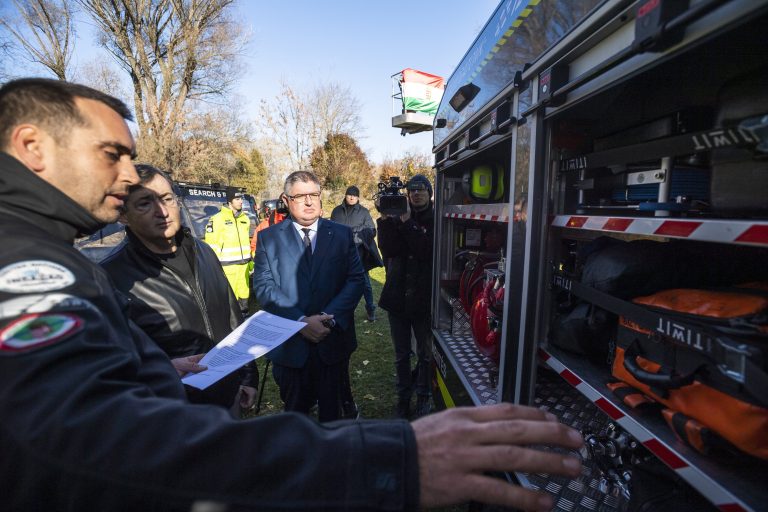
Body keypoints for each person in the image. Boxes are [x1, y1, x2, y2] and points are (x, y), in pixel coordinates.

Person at [0, 77, 584, 512]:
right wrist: (389, 459)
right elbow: (90, 448)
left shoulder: (49, 250)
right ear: (32, 147)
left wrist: (157, 365)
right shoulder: (24, 267)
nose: (130, 177)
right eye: (112, 155)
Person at [101, 164, 258, 414]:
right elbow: (106, 366)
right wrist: (163, 370)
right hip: (172, 416)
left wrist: (247, 376)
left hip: (229, 399)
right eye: (144, 203)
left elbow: (232, 317)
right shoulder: (110, 277)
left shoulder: (204, 251)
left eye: (166, 198)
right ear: (122, 215)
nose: (162, 211)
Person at [253, 171, 363, 422]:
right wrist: (300, 321)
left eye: (314, 194)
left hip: (332, 342)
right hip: (290, 346)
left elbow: (355, 279)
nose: (310, 202)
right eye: (301, 196)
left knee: (333, 419)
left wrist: (328, 318)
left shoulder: (342, 234)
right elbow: (264, 286)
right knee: (295, 420)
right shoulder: (268, 238)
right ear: (286, 199)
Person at [377, 174, 435, 419]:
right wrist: (386, 220)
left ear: (429, 193)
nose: (417, 193)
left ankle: (423, 395)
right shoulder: (395, 216)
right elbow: (389, 250)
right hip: (398, 296)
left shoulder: (436, 218)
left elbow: (425, 251)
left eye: (422, 189)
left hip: (423, 298)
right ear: (407, 194)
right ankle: (403, 397)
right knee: (402, 354)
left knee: (425, 353)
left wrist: (409, 223)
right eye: (412, 190)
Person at [330, 185, 383, 321]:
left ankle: (370, 309)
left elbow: (371, 230)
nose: (352, 197)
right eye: (349, 195)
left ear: (358, 197)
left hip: (360, 255)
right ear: (346, 195)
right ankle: (343, 310)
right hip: (340, 255)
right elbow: (331, 231)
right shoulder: (336, 211)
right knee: (340, 284)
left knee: (365, 284)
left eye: (354, 195)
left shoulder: (364, 212)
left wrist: (352, 235)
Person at [204, 187, 252, 314]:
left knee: (244, 294)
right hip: (228, 267)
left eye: (241, 198)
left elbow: (246, 242)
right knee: (230, 298)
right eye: (237, 199)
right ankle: (232, 323)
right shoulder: (217, 219)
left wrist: (250, 261)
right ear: (230, 201)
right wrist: (214, 267)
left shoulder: (245, 219)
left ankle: (245, 316)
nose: (241, 201)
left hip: (244, 266)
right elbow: (212, 246)